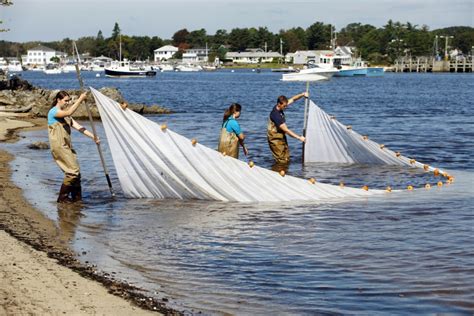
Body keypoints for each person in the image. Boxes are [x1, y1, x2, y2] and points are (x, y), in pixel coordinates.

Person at [47, 91, 99, 203]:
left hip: (66, 146)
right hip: (59, 146)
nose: (67, 103)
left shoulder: (66, 116)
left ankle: (77, 198)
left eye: (68, 101)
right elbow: (70, 111)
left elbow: (79, 127)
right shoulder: (54, 112)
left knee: (77, 173)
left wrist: (93, 137)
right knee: (72, 172)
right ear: (58, 100)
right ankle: (62, 198)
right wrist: (80, 99)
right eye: (65, 100)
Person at [267, 92, 308, 165]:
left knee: (286, 157)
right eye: (284, 106)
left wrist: (302, 94)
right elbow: (287, 130)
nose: (285, 107)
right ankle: (278, 173)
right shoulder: (276, 115)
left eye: (286, 105)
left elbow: (293, 99)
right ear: (279, 104)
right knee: (281, 160)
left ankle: (285, 172)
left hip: (281, 136)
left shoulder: (281, 106)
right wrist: (299, 138)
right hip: (275, 139)